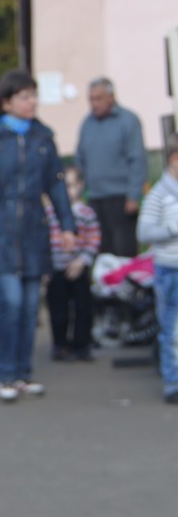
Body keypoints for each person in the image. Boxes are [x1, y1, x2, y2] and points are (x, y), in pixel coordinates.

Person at [0, 68, 76, 401]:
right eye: (24, 96)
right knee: (8, 303)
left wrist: (67, 226)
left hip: (33, 233)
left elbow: (56, 184)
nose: (32, 102)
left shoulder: (43, 136)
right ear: (6, 102)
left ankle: (23, 374)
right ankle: (6, 374)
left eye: (33, 95)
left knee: (29, 308)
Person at [76, 77, 148, 257]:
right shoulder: (87, 123)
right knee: (102, 254)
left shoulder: (128, 120)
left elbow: (137, 160)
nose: (94, 103)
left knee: (124, 251)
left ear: (111, 97)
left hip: (121, 198)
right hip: (94, 198)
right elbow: (80, 158)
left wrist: (133, 196)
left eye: (99, 98)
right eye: (91, 99)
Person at [137, 132, 178, 404]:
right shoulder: (159, 195)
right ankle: (173, 382)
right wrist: (172, 228)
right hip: (171, 270)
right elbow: (144, 232)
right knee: (172, 330)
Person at [44, 166, 101, 362]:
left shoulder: (86, 212)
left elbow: (94, 240)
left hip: (78, 268)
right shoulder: (49, 213)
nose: (66, 191)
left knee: (83, 309)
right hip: (56, 269)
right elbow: (43, 241)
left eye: (70, 185)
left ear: (80, 186)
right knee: (58, 310)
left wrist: (82, 261)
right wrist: (46, 268)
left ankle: (82, 345)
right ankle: (60, 345)